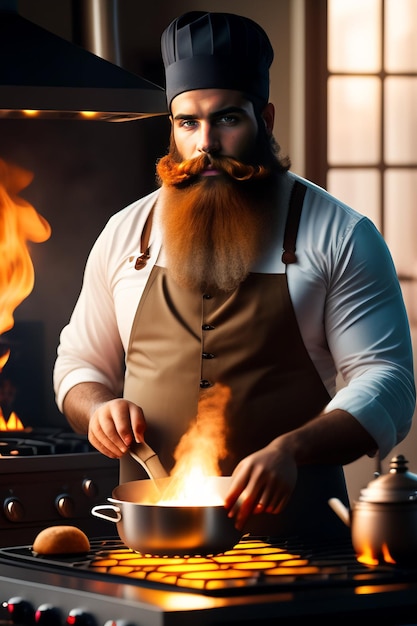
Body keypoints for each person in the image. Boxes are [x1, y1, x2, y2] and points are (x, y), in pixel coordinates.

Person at [53, 11, 415, 542]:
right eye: (187, 122)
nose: (206, 144)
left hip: (298, 543)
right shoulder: (126, 234)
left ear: (264, 119)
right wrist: (97, 408)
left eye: (226, 119)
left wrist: (291, 450)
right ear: (172, 127)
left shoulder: (341, 234)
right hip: (155, 545)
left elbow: (388, 381)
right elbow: (79, 364)